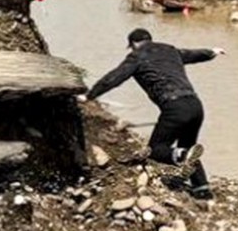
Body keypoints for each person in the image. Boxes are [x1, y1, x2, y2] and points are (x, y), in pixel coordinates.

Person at [86, 29, 224, 199]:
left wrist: (90, 96)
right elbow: (192, 54)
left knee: (156, 150)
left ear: (133, 44)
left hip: (174, 107)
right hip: (195, 105)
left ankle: (182, 156)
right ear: (150, 39)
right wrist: (211, 52)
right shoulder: (170, 50)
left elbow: (115, 78)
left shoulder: (137, 56)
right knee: (188, 146)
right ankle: (202, 189)